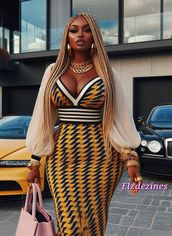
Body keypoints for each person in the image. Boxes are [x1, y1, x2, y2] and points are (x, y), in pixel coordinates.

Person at [25, 13, 142, 236]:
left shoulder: (108, 73)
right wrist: (34, 162)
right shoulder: (52, 71)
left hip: (102, 156)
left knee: (92, 223)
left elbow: (119, 118)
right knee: (69, 225)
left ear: (94, 36)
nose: (80, 34)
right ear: (66, 37)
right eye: (74, 30)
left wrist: (130, 157)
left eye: (87, 29)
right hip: (62, 156)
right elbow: (42, 119)